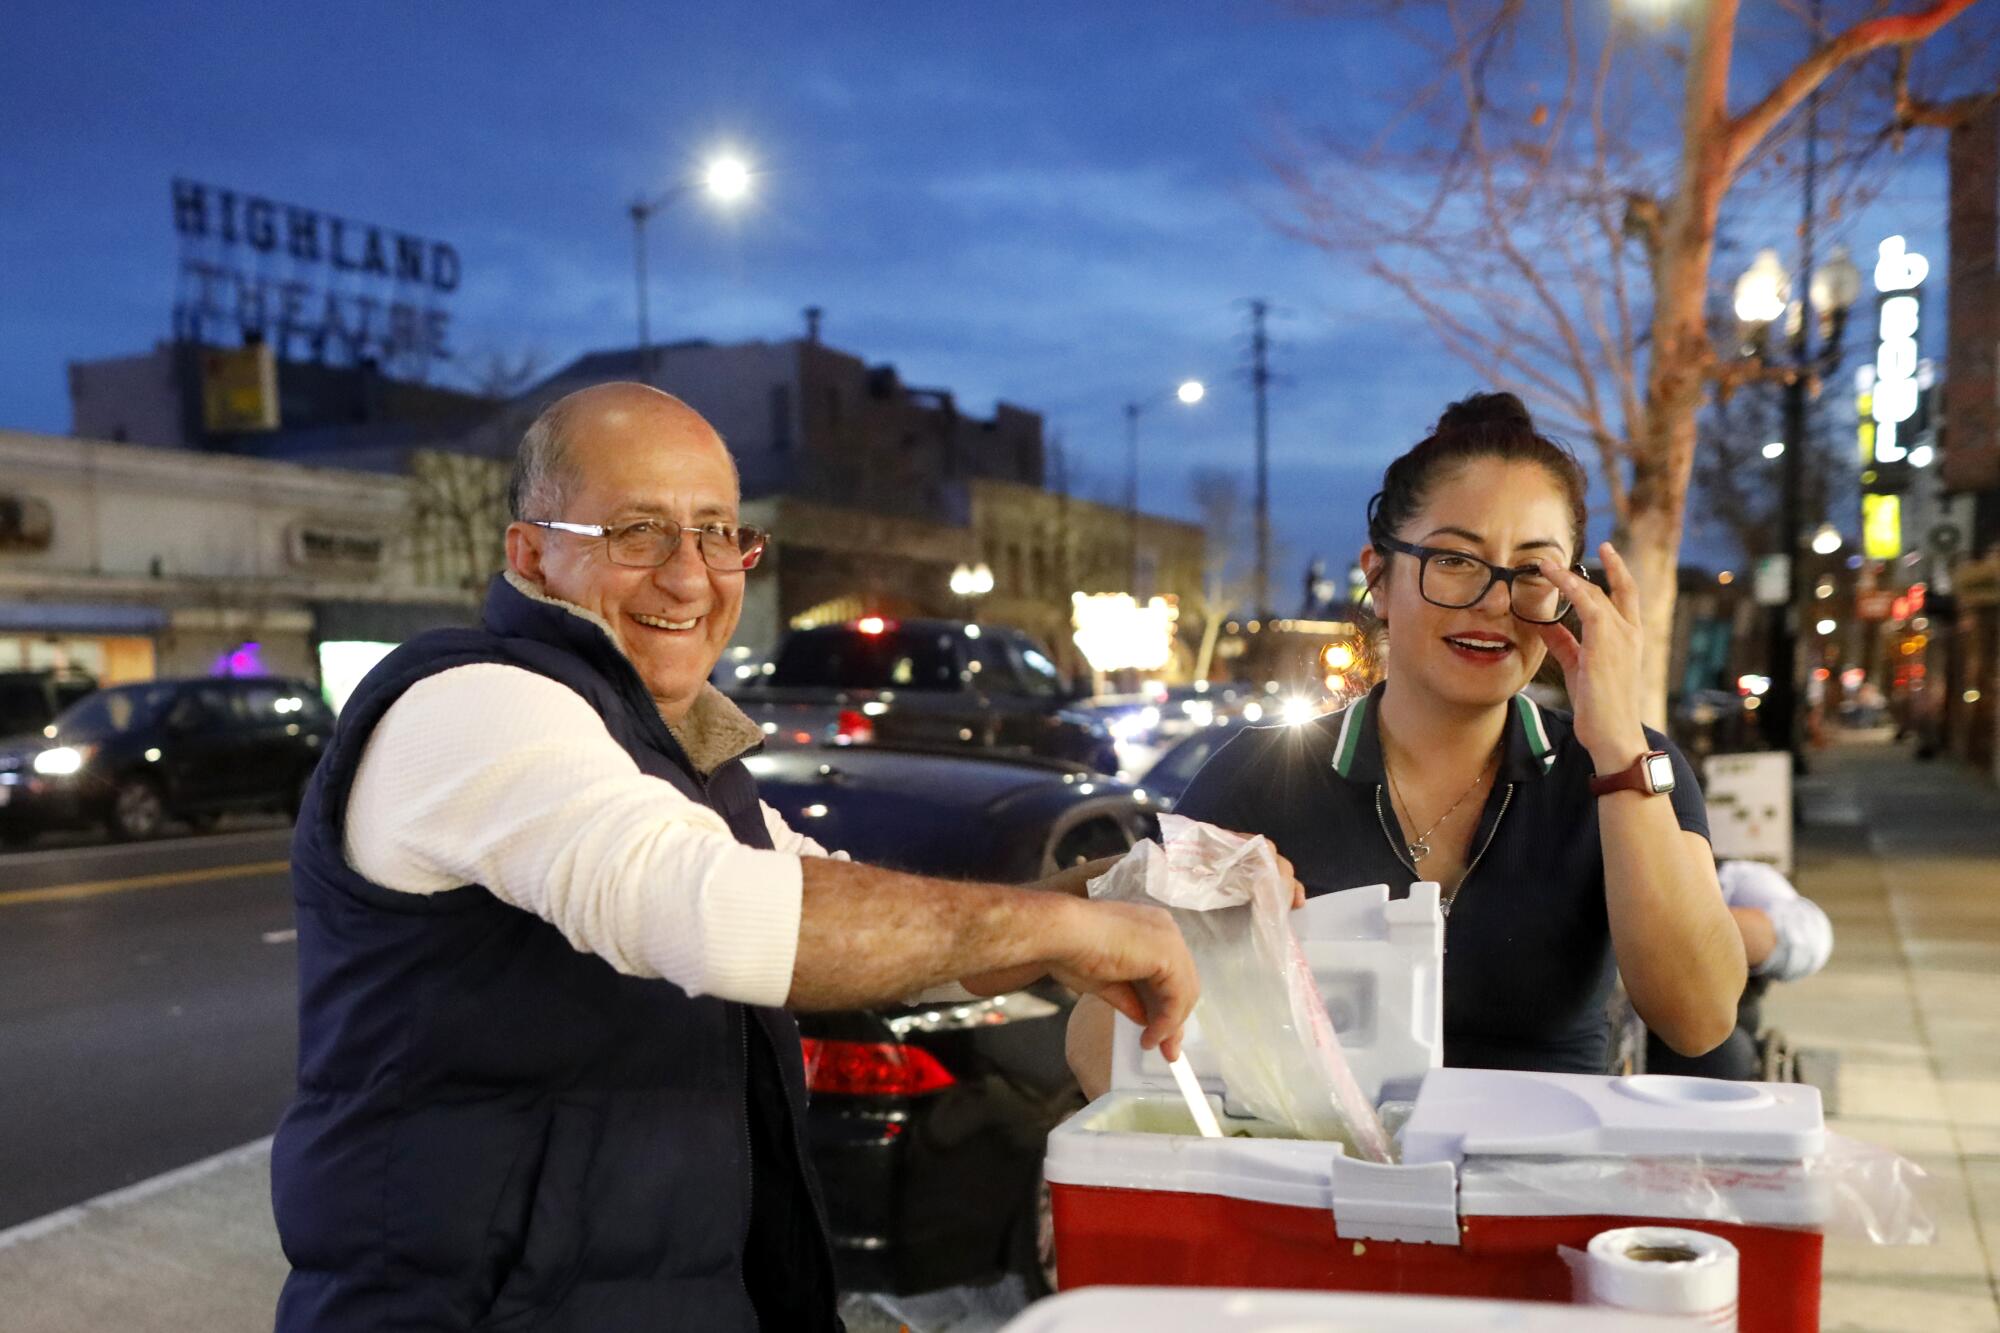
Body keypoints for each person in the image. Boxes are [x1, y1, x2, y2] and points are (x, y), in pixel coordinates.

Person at [271, 383, 1207, 1333]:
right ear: (532, 552)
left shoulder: (679, 764)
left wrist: (1123, 888)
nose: (690, 576)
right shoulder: (472, 705)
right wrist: (1075, 926)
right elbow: (724, 913)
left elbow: (893, 941)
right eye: (638, 531)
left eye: (719, 533)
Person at [1071, 392, 1744, 1091]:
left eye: (1535, 571)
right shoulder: (1262, 776)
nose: (1493, 600)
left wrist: (1617, 747)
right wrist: (1199, 933)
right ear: (1380, 576)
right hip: (1319, 1186)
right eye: (1455, 559)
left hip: (1543, 1187)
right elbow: (1101, 1045)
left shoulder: (1630, 769)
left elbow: (1698, 1018)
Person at [1644, 859, 1834, 1080]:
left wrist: (1695, 933)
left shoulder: (1731, 876)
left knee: (1736, 1035)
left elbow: (1811, 935)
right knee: (1729, 1056)